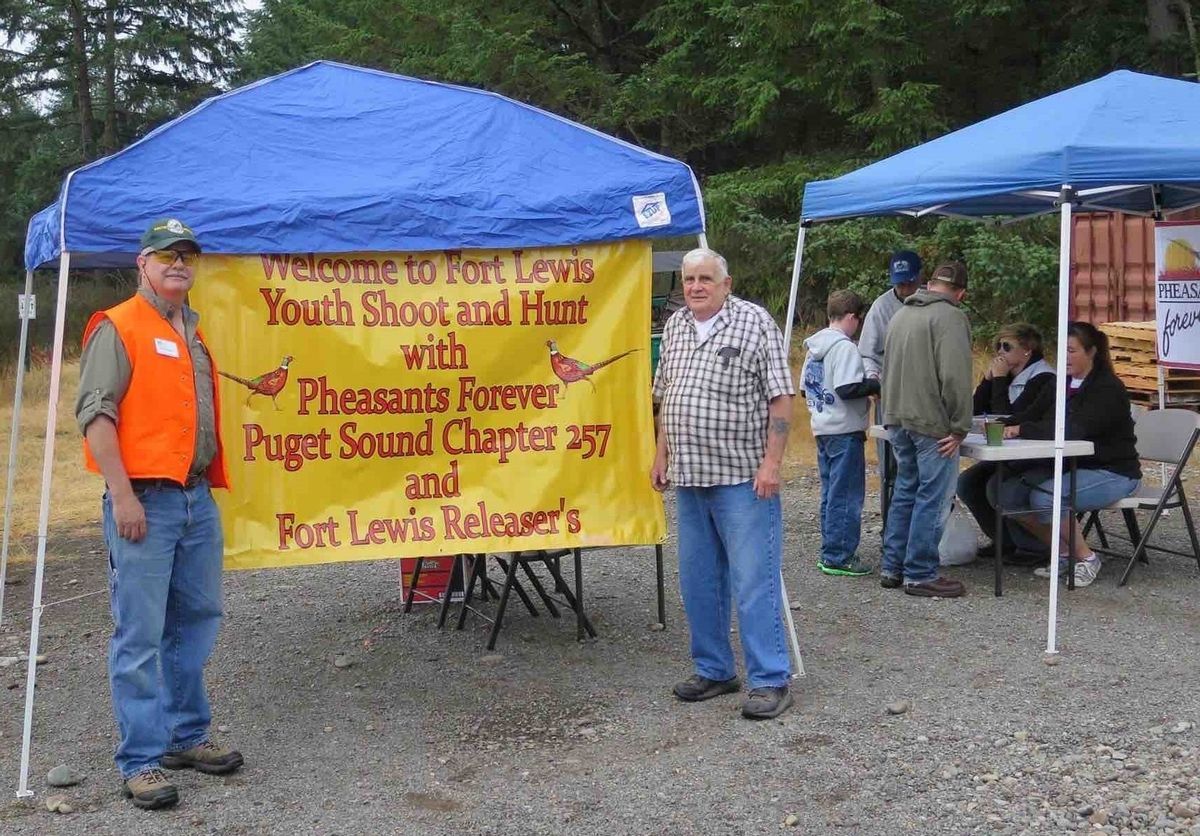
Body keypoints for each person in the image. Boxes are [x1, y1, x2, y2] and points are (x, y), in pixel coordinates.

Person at [76, 218, 242, 810]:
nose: (179, 264)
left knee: (196, 618)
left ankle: (187, 736)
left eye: (187, 257)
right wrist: (122, 496)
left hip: (196, 498)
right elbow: (97, 418)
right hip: (143, 500)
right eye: (167, 255)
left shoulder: (192, 331)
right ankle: (141, 760)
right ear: (142, 263)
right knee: (140, 633)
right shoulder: (118, 327)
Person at [650, 247, 795, 720]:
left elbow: (780, 399)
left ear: (726, 283)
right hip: (690, 477)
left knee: (754, 581)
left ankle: (770, 679)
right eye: (689, 279)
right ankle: (714, 669)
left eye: (705, 279)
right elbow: (665, 395)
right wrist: (660, 453)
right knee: (699, 581)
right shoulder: (674, 326)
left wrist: (771, 464)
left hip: (743, 478)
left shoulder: (755, 323)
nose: (695, 287)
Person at [995, 321, 1141, 587]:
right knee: (1005, 494)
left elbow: (1075, 430)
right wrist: (1003, 424)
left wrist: (1022, 429)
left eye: (1072, 351)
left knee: (1045, 497)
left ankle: (1087, 559)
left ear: (1092, 352)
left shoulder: (1107, 388)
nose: (1065, 357)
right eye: (1062, 350)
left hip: (1113, 471)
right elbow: (1031, 414)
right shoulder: (1060, 382)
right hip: (1070, 466)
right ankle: (1064, 552)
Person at [879, 261, 973, 597]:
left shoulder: (901, 313)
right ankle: (920, 573)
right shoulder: (951, 317)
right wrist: (960, 426)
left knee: (906, 490)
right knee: (932, 498)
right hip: (932, 424)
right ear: (960, 293)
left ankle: (892, 566)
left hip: (897, 418)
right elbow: (955, 377)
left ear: (930, 284)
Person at [957, 324, 1055, 559]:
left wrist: (999, 381)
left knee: (997, 487)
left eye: (1007, 346)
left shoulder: (1042, 379)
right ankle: (1004, 540)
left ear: (1027, 350)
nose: (1000, 352)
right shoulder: (1009, 377)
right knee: (967, 483)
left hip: (1034, 454)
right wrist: (988, 381)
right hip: (1008, 452)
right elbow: (974, 410)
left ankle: (1031, 545)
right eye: (998, 347)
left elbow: (1007, 419)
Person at [801, 289, 879, 577]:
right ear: (850, 317)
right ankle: (839, 555)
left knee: (831, 492)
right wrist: (873, 385)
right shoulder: (844, 347)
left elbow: (804, 388)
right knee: (846, 494)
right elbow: (847, 389)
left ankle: (831, 547)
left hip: (822, 426)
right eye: (858, 319)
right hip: (845, 430)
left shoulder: (815, 347)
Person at [859, 250, 924, 380]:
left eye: (909, 283)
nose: (905, 290)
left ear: (920, 276)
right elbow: (866, 354)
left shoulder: (933, 303)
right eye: (900, 284)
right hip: (890, 386)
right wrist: (872, 376)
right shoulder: (880, 308)